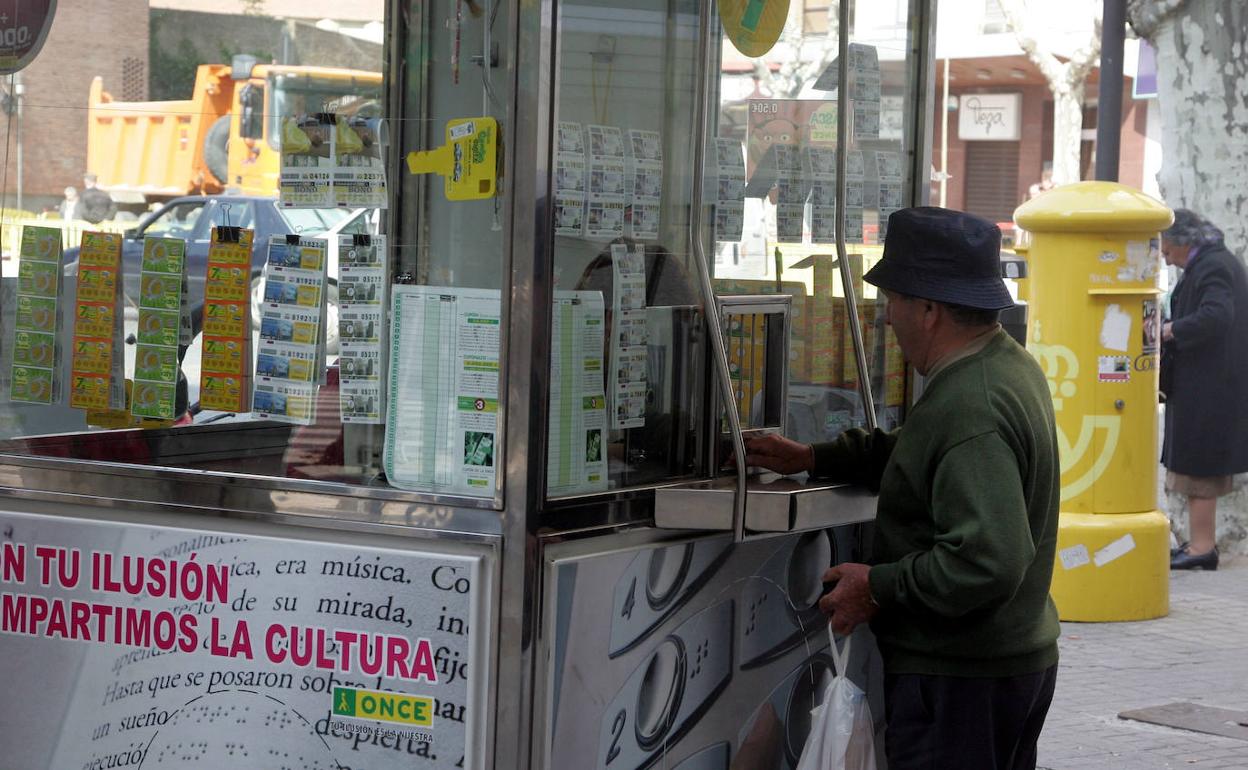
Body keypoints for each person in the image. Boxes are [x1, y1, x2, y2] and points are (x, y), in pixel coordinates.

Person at [745, 207, 1061, 770]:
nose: (887, 318)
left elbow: (991, 559)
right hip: (998, 669)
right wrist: (816, 456)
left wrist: (880, 585)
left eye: (893, 300)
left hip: (962, 679)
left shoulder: (972, 403)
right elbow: (923, 454)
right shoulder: (999, 365)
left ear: (930, 310)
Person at [1159, 209, 1248, 570]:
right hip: (1207, 382)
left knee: (1201, 469)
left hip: (1210, 385)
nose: (1165, 257)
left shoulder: (1213, 267)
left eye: (1166, 249)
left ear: (1183, 242)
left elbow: (1216, 315)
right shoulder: (1212, 262)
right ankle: (1198, 545)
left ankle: (1202, 548)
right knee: (1199, 466)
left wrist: (1171, 330)